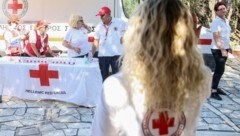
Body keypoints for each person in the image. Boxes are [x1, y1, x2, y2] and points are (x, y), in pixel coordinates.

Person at [91, 0, 212, 135]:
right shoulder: (201, 77)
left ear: (136, 35)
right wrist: (191, 43)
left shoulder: (116, 86)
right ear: (190, 35)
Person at [92, 6, 126, 81]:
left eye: (102, 16)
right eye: (100, 16)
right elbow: (96, 40)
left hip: (116, 54)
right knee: (103, 77)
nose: (101, 18)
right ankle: (103, 91)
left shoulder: (120, 22)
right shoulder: (99, 25)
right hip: (103, 55)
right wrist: (91, 54)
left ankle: (117, 91)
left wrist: (124, 37)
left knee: (117, 77)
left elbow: (127, 31)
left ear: (108, 15)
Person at [210, 2, 231, 101]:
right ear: (216, 11)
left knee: (220, 70)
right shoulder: (216, 22)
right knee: (219, 70)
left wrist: (229, 47)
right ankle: (213, 91)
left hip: (224, 48)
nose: (223, 10)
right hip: (218, 49)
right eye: (220, 9)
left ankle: (215, 87)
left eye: (224, 8)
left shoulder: (225, 21)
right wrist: (222, 49)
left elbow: (226, 36)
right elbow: (216, 36)